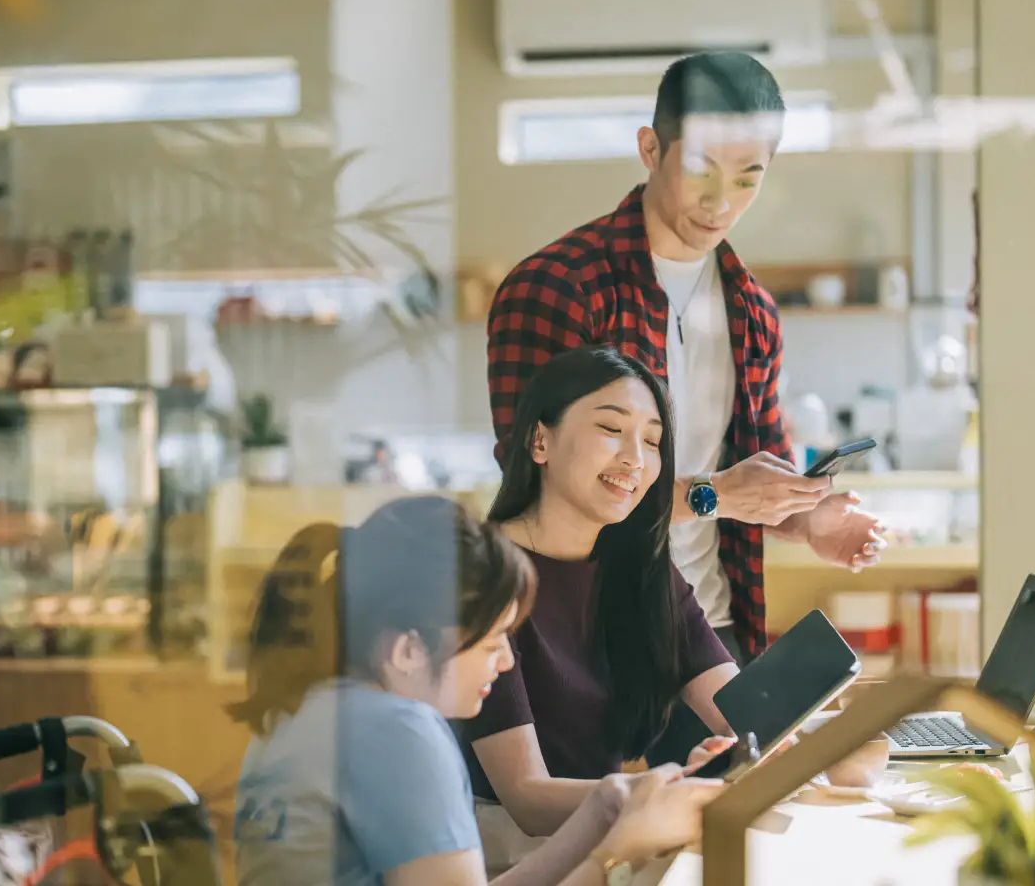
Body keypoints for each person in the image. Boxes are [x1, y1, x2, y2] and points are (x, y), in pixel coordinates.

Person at [484, 52, 886, 767]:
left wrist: (804, 518)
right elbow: (545, 490)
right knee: (600, 827)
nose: (721, 201)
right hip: (587, 641)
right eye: (702, 169)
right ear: (651, 148)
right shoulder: (556, 290)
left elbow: (751, 480)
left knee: (758, 813)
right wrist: (717, 495)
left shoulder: (753, 312)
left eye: (748, 177)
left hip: (709, 630)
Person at [231, 496, 732, 886]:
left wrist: (603, 811)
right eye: (493, 642)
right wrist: (624, 852)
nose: (507, 661)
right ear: (408, 651)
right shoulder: (397, 730)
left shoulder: (306, 711)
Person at [460, 347, 739, 847]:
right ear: (540, 441)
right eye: (611, 429)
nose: (636, 458)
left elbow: (746, 710)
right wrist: (664, 790)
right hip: (503, 856)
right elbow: (527, 797)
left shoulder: (641, 566)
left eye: (652, 440)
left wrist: (829, 736)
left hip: (610, 839)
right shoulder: (484, 573)